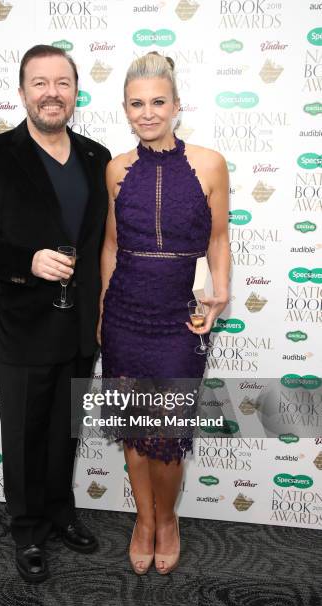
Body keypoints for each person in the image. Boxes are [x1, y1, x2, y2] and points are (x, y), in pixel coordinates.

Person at [0, 44, 111, 583]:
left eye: (62, 83)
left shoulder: (96, 156)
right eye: (39, 83)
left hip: (78, 323)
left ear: (75, 92)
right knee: (23, 433)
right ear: (22, 92)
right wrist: (26, 262)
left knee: (64, 430)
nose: (51, 93)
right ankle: (26, 530)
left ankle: (61, 514)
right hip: (20, 325)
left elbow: (102, 243)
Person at [99, 52, 230, 575]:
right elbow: (110, 246)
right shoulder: (115, 168)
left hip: (180, 316)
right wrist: (101, 315)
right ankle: (144, 520)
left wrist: (218, 295)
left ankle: (168, 520)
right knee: (134, 426)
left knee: (168, 432)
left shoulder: (209, 163)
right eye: (137, 104)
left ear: (177, 105)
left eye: (158, 102)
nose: (147, 112)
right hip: (125, 312)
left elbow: (218, 238)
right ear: (125, 110)